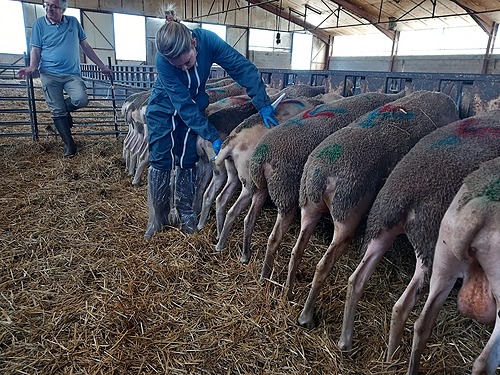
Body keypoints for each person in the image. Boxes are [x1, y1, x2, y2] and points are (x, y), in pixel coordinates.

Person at [144, 8, 278, 239]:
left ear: (194, 43)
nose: (185, 68)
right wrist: (212, 134)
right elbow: (181, 103)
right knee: (161, 159)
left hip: (194, 105)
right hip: (164, 107)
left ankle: (185, 212)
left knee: (187, 157)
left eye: (187, 62)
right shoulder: (164, 60)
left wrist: (262, 101)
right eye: (179, 66)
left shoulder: (208, 40)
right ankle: (158, 218)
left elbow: (240, 67)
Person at [18, 0, 113, 158]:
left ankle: (62, 114)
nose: (49, 9)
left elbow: (86, 46)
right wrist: (32, 67)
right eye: (46, 5)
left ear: (62, 9)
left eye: (53, 6)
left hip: (71, 74)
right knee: (57, 110)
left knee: (81, 99)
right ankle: (70, 145)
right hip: (49, 74)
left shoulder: (73, 23)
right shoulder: (39, 25)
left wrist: (102, 66)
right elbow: (36, 49)